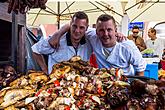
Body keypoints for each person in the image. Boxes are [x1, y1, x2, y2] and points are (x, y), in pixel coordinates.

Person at [51, 14, 146, 76]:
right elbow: (73, 24)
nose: (105, 34)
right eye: (101, 30)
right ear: (96, 31)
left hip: (127, 81)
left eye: (109, 30)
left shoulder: (128, 46)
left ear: (115, 29)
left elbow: (140, 69)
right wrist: (57, 35)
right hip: (104, 81)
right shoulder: (93, 36)